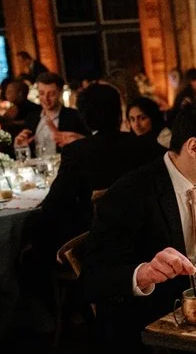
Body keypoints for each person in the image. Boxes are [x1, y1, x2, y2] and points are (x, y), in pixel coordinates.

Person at [82, 101, 196, 354]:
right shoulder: (132, 193)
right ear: (194, 147)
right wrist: (141, 274)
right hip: (145, 332)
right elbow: (92, 278)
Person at [40, 84, 165, 248]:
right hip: (150, 238)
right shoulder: (147, 146)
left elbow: (55, 203)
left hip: (98, 241)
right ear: (119, 114)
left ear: (84, 117)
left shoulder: (76, 152)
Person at [15, 72, 89, 156]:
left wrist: (77, 140)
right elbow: (27, 155)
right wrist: (21, 147)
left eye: (51, 94)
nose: (46, 99)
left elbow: (90, 145)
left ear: (60, 93)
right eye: (41, 93)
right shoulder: (31, 118)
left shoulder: (75, 116)